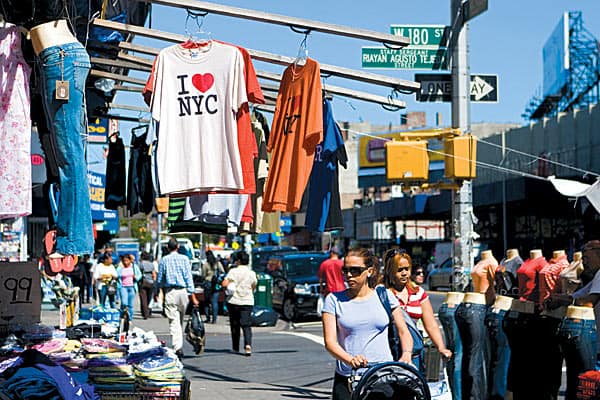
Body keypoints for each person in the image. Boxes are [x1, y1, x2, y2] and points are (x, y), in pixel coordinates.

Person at [322, 248, 414, 400]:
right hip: (348, 378)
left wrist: (406, 354)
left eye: (355, 270)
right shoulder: (333, 300)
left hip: (382, 376)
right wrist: (350, 360)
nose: (349, 275)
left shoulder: (385, 296)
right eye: (345, 270)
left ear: (369, 271)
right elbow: (330, 342)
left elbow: (403, 331)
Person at [382, 249, 452, 373]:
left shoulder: (418, 292)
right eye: (399, 270)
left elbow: (431, 324)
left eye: (407, 269)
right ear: (390, 270)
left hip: (414, 354)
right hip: (390, 353)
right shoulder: (382, 294)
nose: (404, 273)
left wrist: (441, 347)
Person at [156, 238, 199, 360]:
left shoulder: (164, 260)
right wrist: (193, 295)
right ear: (178, 246)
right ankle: (178, 344)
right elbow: (188, 277)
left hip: (171, 292)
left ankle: (177, 347)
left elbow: (160, 278)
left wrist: (157, 290)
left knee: (174, 321)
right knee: (179, 320)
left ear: (168, 248)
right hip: (183, 292)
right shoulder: (185, 259)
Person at [222, 251, 257, 356]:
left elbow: (224, 283)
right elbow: (254, 286)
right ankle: (248, 345)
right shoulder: (252, 273)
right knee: (246, 324)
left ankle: (235, 347)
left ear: (238, 261)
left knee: (235, 325)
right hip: (247, 301)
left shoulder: (233, 271)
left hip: (234, 300)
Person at [202, 250, 225, 324]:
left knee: (206, 302)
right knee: (214, 302)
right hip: (216, 284)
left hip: (208, 283)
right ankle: (214, 319)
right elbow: (223, 272)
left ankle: (208, 317)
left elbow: (203, 275)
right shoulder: (218, 263)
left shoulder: (205, 264)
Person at [116, 254, 142, 320]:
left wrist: (136, 277)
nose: (125, 262)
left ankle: (130, 318)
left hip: (132, 287)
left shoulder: (134, 267)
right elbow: (116, 275)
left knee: (130, 305)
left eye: (127, 260)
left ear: (130, 260)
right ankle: (122, 315)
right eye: (124, 261)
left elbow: (140, 275)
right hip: (123, 287)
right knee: (124, 303)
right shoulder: (120, 267)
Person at [138, 251, 157, 319]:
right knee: (149, 297)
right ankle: (148, 311)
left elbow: (138, 273)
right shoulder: (151, 264)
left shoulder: (140, 264)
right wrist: (154, 281)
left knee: (143, 298)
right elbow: (154, 273)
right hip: (151, 282)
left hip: (143, 281)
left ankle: (145, 313)